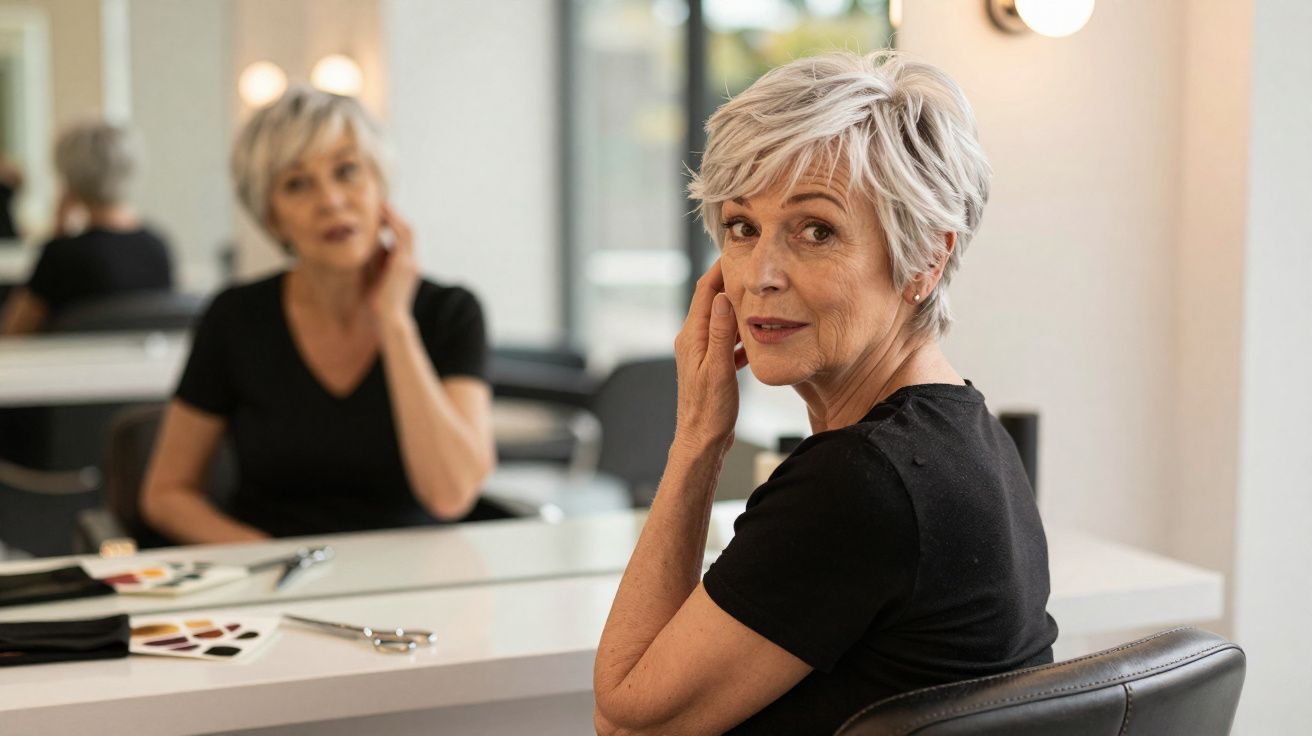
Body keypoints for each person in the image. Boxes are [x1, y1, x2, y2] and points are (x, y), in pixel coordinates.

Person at [593, 51, 1059, 734]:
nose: (761, 275)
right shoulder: (966, 434)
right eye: (742, 228)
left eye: (817, 231)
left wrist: (699, 435)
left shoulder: (861, 483)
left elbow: (629, 724)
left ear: (925, 259)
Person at [140, 87, 495, 543]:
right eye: (297, 184)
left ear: (381, 187)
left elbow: (450, 494)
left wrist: (395, 322)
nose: (330, 200)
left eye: (347, 171)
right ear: (272, 219)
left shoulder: (450, 312)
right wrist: (264, 559)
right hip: (275, 591)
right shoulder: (235, 318)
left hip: (421, 588)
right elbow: (167, 492)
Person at [0, 121, 172, 334]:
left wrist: (59, 232)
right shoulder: (157, 247)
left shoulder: (61, 256)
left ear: (69, 180)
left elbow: (13, 333)